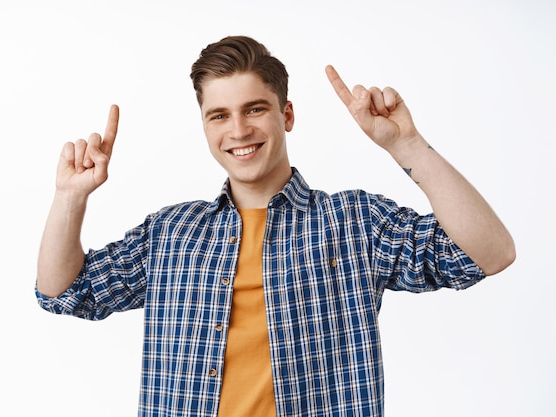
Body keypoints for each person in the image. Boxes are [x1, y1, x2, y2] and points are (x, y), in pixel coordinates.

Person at [35, 36, 515, 416]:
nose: (238, 130)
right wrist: (70, 197)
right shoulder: (171, 234)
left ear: (286, 114)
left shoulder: (355, 224)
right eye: (219, 115)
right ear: (205, 127)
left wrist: (407, 146)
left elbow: (488, 253)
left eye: (255, 109)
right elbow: (62, 292)